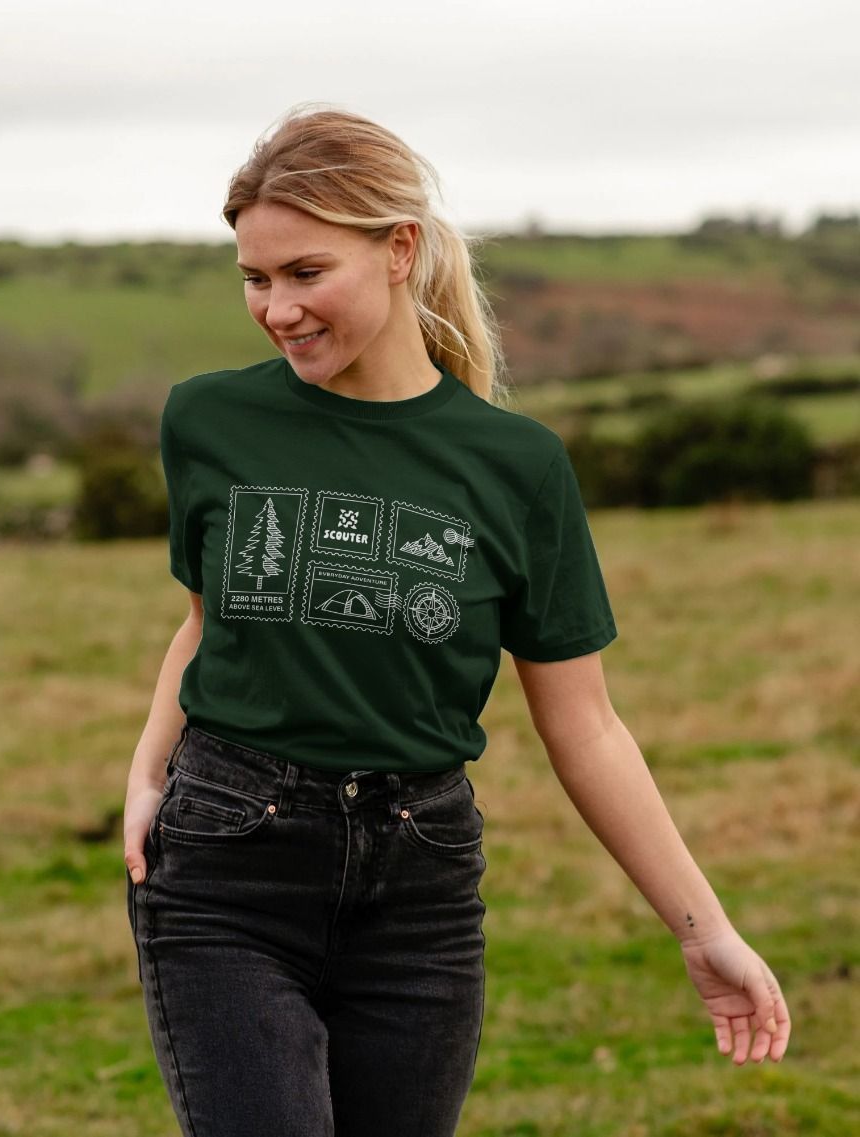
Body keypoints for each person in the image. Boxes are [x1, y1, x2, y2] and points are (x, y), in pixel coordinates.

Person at [122, 103, 791, 1137]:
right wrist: (149, 772)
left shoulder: (516, 468)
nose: (275, 308)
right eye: (255, 278)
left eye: (306, 273)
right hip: (228, 870)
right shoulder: (210, 420)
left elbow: (588, 727)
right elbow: (210, 621)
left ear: (399, 252)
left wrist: (703, 929)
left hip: (418, 891)